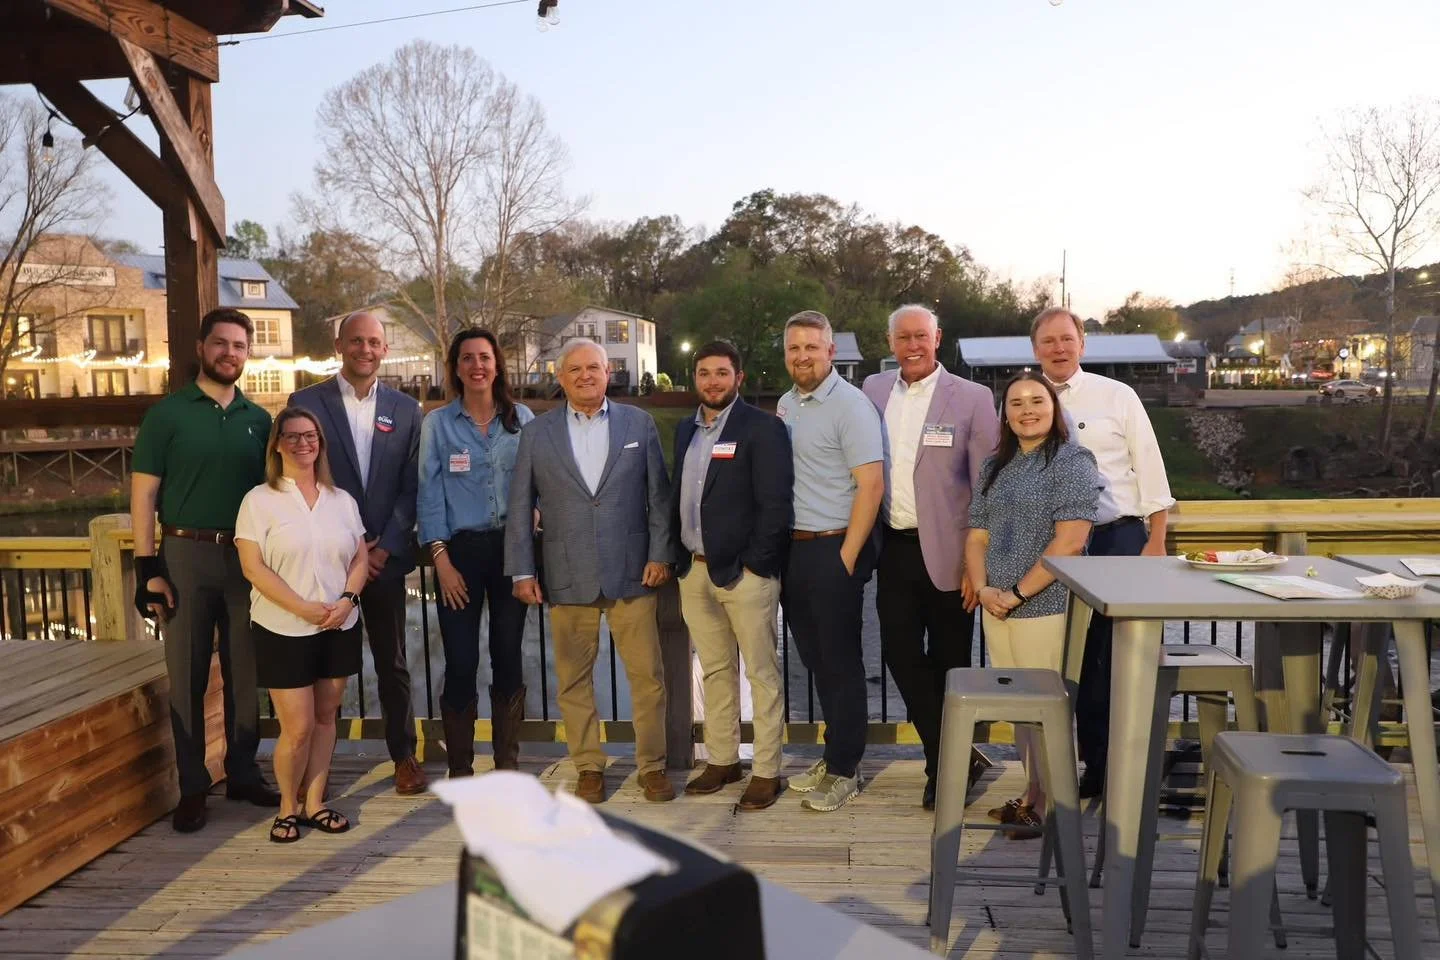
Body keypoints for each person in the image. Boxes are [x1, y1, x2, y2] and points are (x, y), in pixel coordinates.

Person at [504, 339, 675, 804]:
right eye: (575, 369)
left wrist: (661, 554)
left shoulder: (638, 423)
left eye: (593, 368)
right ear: (560, 378)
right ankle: (588, 766)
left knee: (648, 677)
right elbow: (520, 505)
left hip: (633, 572)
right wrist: (521, 570)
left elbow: (659, 497)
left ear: (608, 372)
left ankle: (652, 766)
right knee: (574, 681)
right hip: (566, 572)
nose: (585, 375)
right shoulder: (538, 434)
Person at [130, 307, 280, 833]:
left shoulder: (260, 422)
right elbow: (145, 494)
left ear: (248, 354)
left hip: (244, 559)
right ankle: (192, 786)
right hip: (183, 558)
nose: (230, 353)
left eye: (240, 346)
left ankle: (242, 770)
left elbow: (275, 495)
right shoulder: (167, 416)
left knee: (246, 673)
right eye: (221, 343)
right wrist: (145, 565)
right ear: (202, 347)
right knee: (187, 673)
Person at [1030, 307, 1175, 798]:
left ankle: (1119, 765)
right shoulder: (1026, 400)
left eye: (1066, 339)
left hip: (1117, 539)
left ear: (1082, 344)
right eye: (1048, 341)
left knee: (1115, 658)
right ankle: (1085, 763)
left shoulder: (1118, 396)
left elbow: (1149, 466)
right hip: (1059, 545)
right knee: (1070, 656)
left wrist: (1156, 540)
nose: (1058, 348)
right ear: (1036, 350)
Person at [861, 304, 1000, 811]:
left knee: (950, 665)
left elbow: (988, 482)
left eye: (921, 335)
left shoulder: (972, 397)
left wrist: (976, 562)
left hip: (953, 553)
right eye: (903, 337)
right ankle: (953, 754)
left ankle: (943, 769)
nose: (913, 345)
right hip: (893, 548)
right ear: (891, 341)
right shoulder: (872, 392)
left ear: (938, 338)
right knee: (898, 654)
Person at [289, 309, 427, 796]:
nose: (364, 349)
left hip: (385, 560)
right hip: (328, 560)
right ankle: (312, 766)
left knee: (392, 662)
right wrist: (350, 549)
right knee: (324, 664)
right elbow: (300, 477)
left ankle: (404, 756)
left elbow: (412, 488)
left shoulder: (408, 410)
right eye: (355, 341)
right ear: (339, 346)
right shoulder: (306, 402)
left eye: (373, 342)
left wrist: (385, 546)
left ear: (384, 349)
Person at [965, 371, 1101, 838]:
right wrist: (983, 590)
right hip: (997, 607)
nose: (1027, 410)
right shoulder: (994, 465)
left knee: (1050, 711)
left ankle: (1054, 805)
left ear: (1054, 407)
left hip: (1046, 605)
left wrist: (1018, 593)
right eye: (1016, 402)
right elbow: (976, 535)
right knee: (1022, 714)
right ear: (1005, 413)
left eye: (1037, 401)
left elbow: (1071, 541)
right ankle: (1031, 794)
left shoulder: (1072, 460)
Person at [235, 408, 369, 843]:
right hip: (282, 627)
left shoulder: (341, 500)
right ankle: (287, 807)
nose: (302, 443)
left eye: (310, 436)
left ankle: (316, 803)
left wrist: (348, 600)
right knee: (298, 727)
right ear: (277, 444)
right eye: (291, 437)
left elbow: (360, 557)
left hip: (338, 624)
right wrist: (301, 607)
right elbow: (253, 568)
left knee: (328, 718)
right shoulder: (259, 500)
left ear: (320, 443)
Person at [669, 340, 793, 812]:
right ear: (694, 379)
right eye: (704, 373)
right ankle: (722, 760)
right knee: (717, 670)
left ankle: (766, 770)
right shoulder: (686, 431)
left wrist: (756, 563)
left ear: (738, 378)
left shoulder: (761, 429)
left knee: (761, 673)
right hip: (694, 570)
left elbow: (776, 504)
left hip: (744, 575)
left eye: (722, 373)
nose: (713, 381)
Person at [776, 310, 884, 813]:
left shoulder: (851, 406)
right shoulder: (787, 404)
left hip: (835, 546)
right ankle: (832, 751)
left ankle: (846, 768)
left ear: (830, 351)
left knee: (840, 664)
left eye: (811, 348)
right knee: (815, 661)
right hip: (796, 549)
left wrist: (846, 556)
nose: (802, 356)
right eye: (794, 348)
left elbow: (871, 485)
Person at [419, 328, 535, 778]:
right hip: (460, 556)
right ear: (456, 368)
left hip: (513, 553)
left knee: (508, 655)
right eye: (467, 358)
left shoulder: (522, 418)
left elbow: (539, 478)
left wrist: (538, 511)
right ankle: (461, 769)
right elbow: (428, 496)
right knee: (461, 659)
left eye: (485, 357)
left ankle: (507, 765)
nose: (477, 365)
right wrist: (441, 561)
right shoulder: (439, 424)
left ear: (497, 365)